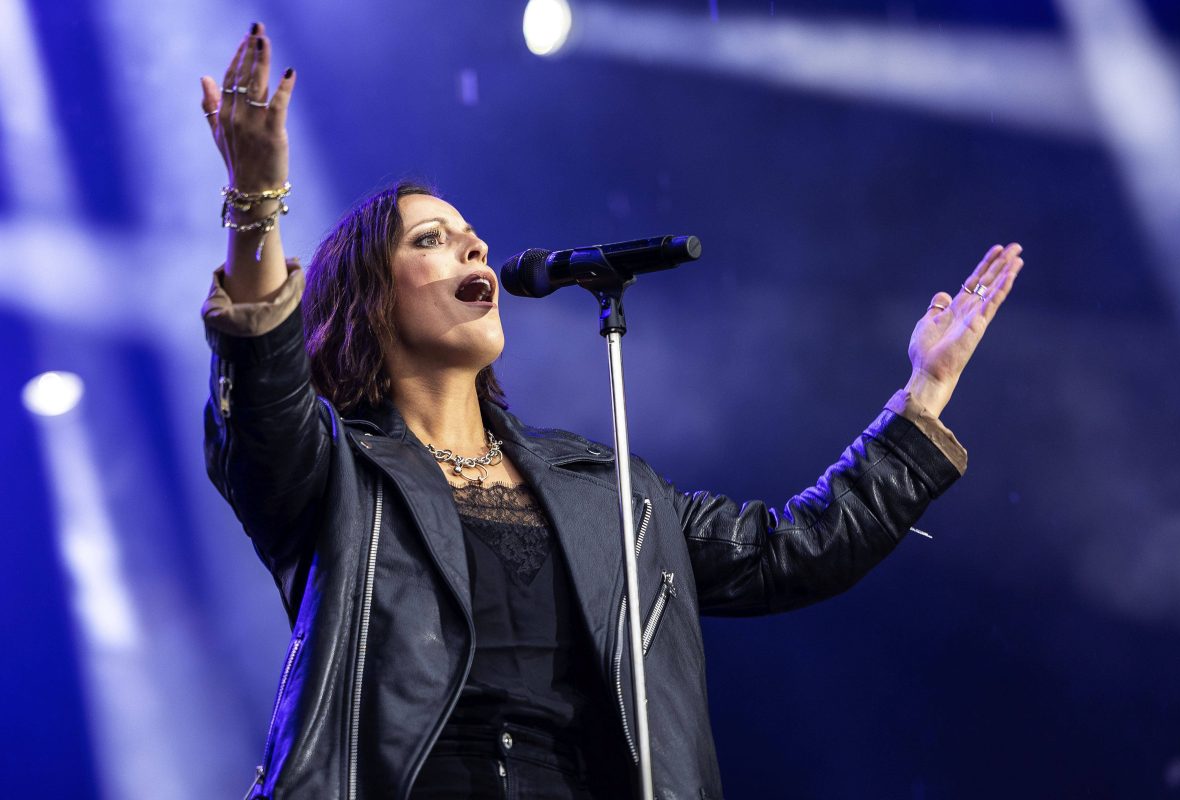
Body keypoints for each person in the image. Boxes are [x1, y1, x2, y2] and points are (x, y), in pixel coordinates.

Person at [199, 22, 1024, 800]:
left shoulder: (606, 492)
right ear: (369, 303)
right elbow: (264, 394)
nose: (474, 247)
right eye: (430, 240)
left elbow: (791, 552)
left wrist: (923, 394)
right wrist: (255, 199)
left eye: (471, 234)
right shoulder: (334, 473)